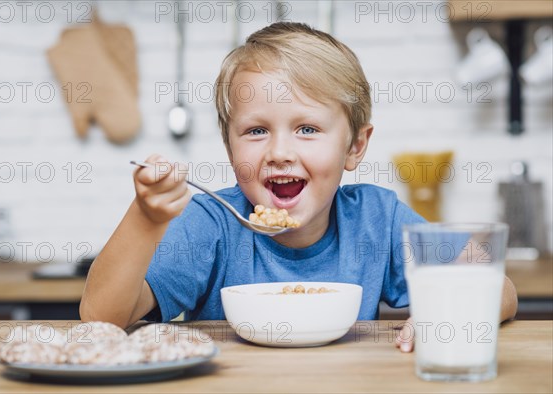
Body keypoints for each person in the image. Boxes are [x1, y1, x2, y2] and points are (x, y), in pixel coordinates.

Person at [80, 22, 518, 352]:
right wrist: (147, 217)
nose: (279, 152)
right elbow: (101, 317)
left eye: (307, 128)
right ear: (228, 147)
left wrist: (452, 310)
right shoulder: (211, 223)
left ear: (355, 146)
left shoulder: (376, 219)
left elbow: (495, 283)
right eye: (255, 131)